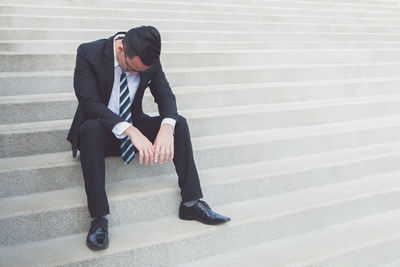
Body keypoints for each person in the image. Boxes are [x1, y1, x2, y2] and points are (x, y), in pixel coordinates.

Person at [66, 25, 231, 251]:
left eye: (140, 71)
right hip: (101, 131)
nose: (135, 74)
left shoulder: (148, 59)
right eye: (131, 68)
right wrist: (131, 131)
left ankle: (191, 202)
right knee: (91, 129)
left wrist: (166, 127)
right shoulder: (89, 53)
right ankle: (99, 219)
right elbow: (89, 102)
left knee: (178, 123)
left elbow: (165, 95)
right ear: (121, 49)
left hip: (134, 124)